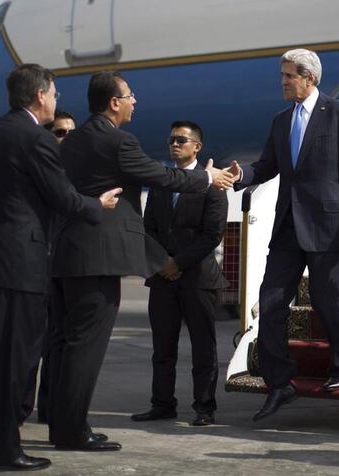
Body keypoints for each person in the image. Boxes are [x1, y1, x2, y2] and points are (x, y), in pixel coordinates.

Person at [0, 64, 120, 472]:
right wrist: (96, 205)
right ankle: (2, 452)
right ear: (38, 96)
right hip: (20, 266)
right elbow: (64, 198)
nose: (55, 100)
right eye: (53, 93)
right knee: (15, 361)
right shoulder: (36, 139)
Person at [48, 72, 235, 451]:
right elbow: (161, 176)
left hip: (68, 255)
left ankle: (64, 425)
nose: (136, 102)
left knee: (69, 346)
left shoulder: (73, 141)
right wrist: (207, 177)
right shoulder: (118, 141)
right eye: (131, 96)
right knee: (86, 348)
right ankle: (71, 432)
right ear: (114, 103)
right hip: (97, 260)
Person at [231, 48, 339, 421]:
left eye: (288, 76)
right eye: (282, 76)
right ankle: (281, 383)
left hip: (329, 226)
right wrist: (239, 176)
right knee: (272, 301)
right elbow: (266, 166)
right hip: (287, 228)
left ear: (309, 78)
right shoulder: (281, 120)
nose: (282, 82)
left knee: (327, 300)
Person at [130, 120, 228, 426]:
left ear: (196, 146)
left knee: (203, 349)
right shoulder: (161, 183)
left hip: (198, 279)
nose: (174, 144)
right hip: (163, 279)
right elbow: (149, 229)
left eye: (181, 140)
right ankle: (162, 404)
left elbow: (212, 235)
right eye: (171, 139)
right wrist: (162, 263)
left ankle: (204, 408)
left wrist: (178, 263)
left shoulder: (213, 185)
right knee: (163, 349)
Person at [20, 109, 77, 425]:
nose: (67, 138)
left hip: (68, 273)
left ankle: (51, 410)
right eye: (60, 133)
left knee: (61, 346)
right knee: (30, 347)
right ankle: (20, 408)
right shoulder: (31, 171)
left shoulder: (81, 175)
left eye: (71, 133)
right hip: (33, 271)